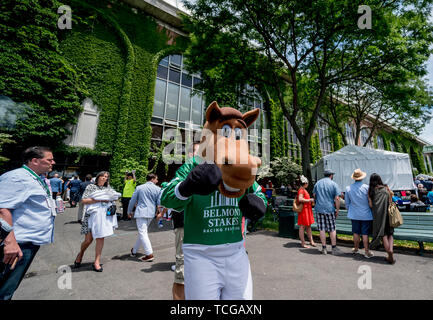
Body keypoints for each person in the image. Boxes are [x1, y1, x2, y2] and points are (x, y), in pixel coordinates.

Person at [0, 146, 56, 299]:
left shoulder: (38, 179)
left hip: (27, 243)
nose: (53, 162)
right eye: (49, 160)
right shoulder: (17, 177)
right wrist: (10, 242)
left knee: (9, 287)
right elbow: (2, 208)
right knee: (4, 289)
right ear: (34, 161)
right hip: (16, 244)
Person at [74, 171, 119, 272]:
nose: (104, 178)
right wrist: (99, 200)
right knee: (88, 240)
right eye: (102, 176)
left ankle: (96, 262)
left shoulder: (108, 189)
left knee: (100, 238)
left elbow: (113, 198)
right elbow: (84, 200)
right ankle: (80, 254)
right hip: (90, 216)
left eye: (106, 177)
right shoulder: (91, 187)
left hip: (103, 217)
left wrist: (110, 200)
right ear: (98, 177)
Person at [128, 173, 161, 262]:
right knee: (143, 232)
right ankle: (134, 250)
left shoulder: (139, 187)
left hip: (141, 212)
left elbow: (133, 200)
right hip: (151, 213)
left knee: (142, 232)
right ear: (152, 179)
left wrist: (129, 211)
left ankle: (149, 254)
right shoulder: (158, 189)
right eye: (156, 179)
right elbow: (159, 203)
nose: (157, 181)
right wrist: (159, 213)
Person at [345, 169, 374, 258]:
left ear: (354, 178)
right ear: (362, 177)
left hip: (354, 213)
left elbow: (347, 204)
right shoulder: (367, 188)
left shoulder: (348, 188)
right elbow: (370, 202)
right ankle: (366, 251)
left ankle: (356, 248)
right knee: (365, 233)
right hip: (366, 214)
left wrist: (351, 209)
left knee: (356, 232)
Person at [368, 173, 396, 264]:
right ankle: (391, 250)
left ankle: (388, 253)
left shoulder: (371, 191)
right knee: (390, 234)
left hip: (378, 217)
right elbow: (390, 202)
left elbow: (371, 205)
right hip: (388, 215)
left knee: (383, 234)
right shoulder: (386, 189)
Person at [312, 169, 342, 255]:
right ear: (331, 175)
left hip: (319, 208)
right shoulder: (334, 184)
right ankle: (333, 248)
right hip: (329, 209)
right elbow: (337, 198)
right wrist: (337, 209)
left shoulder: (318, 183)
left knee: (322, 229)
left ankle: (324, 248)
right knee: (332, 229)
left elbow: (314, 195)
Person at [296, 175, 316, 248]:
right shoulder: (301, 190)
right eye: (307, 183)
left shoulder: (303, 189)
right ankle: (303, 243)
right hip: (304, 210)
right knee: (302, 226)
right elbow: (300, 199)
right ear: (305, 183)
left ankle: (311, 241)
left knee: (308, 226)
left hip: (307, 209)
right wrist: (309, 200)